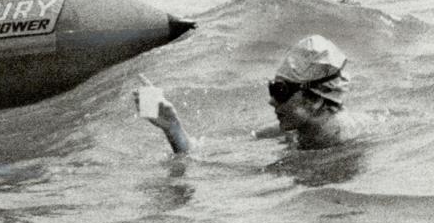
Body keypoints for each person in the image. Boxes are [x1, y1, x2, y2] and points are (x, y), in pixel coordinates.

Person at [140, 34, 357, 155]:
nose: (271, 100)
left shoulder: (341, 150)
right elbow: (208, 154)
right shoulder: (299, 129)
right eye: (273, 88)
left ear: (316, 100)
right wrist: (173, 128)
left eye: (281, 92)